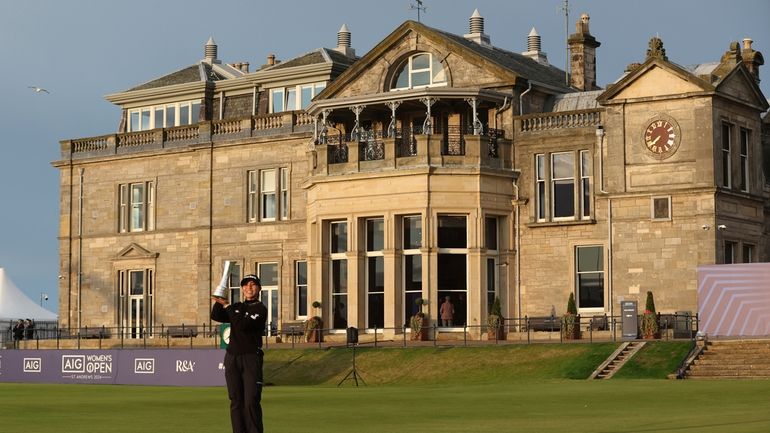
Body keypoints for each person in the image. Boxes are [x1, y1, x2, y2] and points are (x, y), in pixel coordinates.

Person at [211, 274, 268, 433]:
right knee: (236, 400)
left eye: (253, 284)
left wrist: (228, 306)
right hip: (232, 358)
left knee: (251, 401)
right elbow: (216, 315)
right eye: (245, 285)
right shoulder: (237, 307)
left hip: (251, 358)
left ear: (259, 288)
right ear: (242, 289)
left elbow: (242, 325)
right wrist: (219, 297)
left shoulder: (260, 309)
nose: (249, 288)